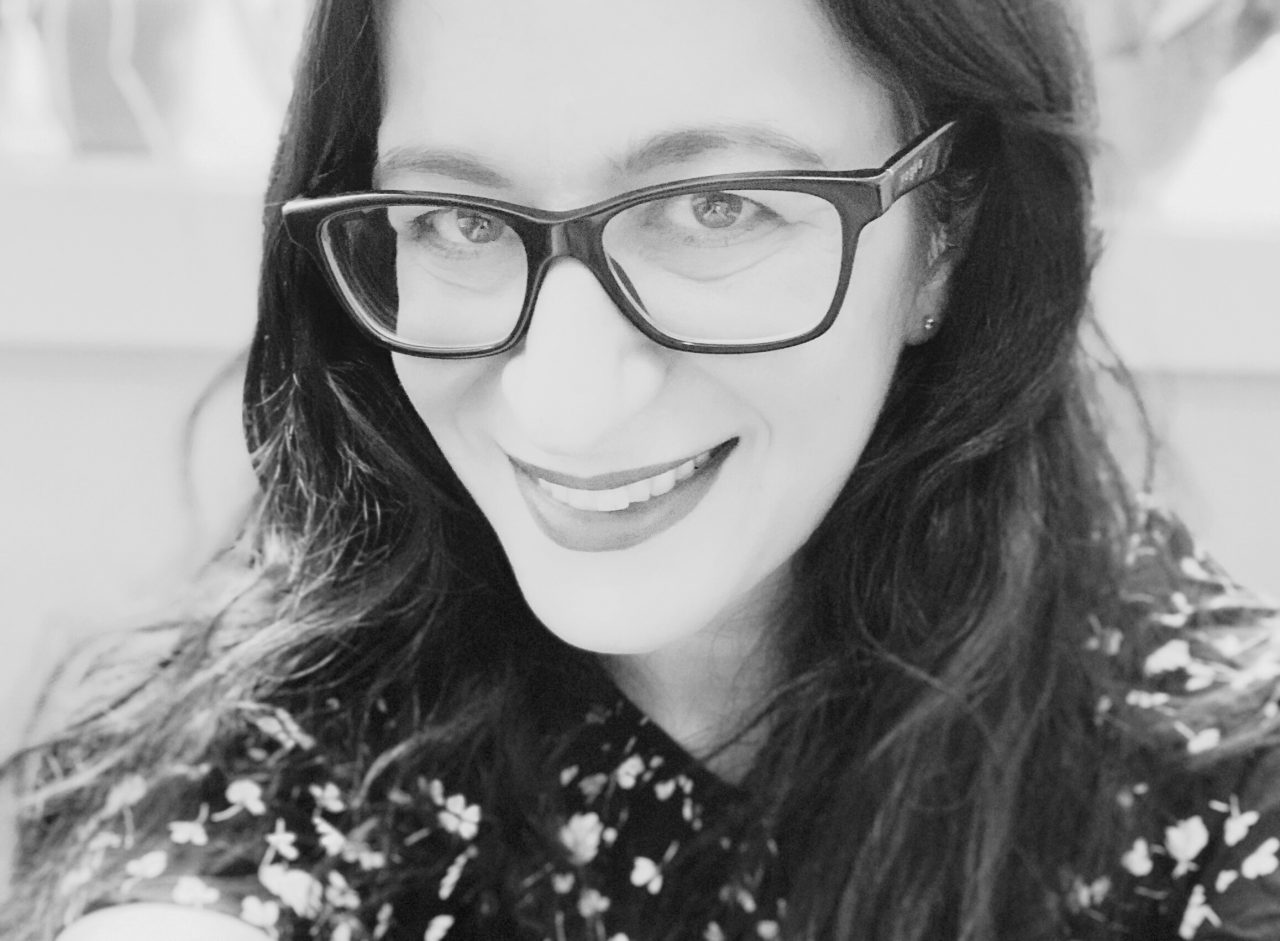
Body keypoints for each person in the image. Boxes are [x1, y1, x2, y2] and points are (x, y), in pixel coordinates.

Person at [4, 0, 1280, 938]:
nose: (564, 395)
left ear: (942, 232)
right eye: (453, 221)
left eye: (716, 208)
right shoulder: (284, 761)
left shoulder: (1220, 808)